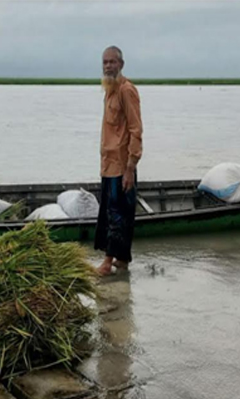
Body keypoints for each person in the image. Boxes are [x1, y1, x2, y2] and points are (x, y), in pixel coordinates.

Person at [94, 46, 143, 276]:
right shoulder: (109, 90)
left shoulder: (126, 91)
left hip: (122, 166)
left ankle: (107, 262)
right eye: (105, 62)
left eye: (112, 62)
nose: (108, 66)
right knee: (113, 212)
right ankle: (121, 261)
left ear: (121, 64)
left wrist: (130, 168)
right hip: (108, 165)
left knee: (116, 214)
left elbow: (135, 130)